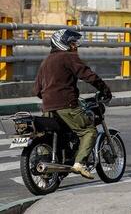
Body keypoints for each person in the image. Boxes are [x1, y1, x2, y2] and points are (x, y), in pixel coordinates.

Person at [33, 29, 112, 179]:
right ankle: (79, 163)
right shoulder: (68, 57)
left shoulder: (45, 62)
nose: (75, 46)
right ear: (62, 43)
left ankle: (51, 166)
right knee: (89, 131)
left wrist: (49, 97)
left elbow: (37, 90)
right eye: (72, 42)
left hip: (48, 107)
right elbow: (89, 75)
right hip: (67, 105)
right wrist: (105, 90)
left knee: (55, 135)